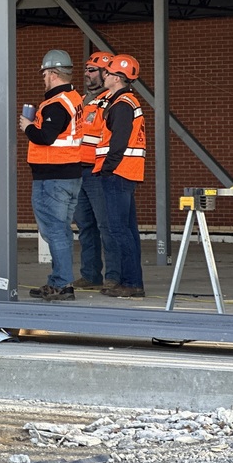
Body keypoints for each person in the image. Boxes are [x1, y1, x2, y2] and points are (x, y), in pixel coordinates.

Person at [19, 49, 84, 302]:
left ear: (54, 73)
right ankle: (59, 280)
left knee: (54, 231)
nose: (43, 77)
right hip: (69, 175)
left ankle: (62, 284)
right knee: (62, 231)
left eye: (45, 73)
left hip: (52, 178)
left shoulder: (56, 104)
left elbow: (45, 137)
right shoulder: (74, 98)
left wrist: (28, 127)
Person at [95, 54, 147, 299]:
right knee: (127, 230)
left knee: (119, 230)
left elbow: (118, 143)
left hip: (117, 174)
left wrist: (107, 169)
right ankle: (133, 281)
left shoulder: (122, 104)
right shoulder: (125, 102)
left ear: (116, 77)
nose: (103, 76)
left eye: (106, 72)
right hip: (125, 173)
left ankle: (132, 282)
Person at [71, 51, 119, 291]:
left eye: (92, 70)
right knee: (85, 227)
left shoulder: (112, 100)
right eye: (86, 70)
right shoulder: (81, 101)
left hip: (99, 172)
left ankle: (113, 276)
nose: (86, 74)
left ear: (105, 73)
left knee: (106, 226)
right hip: (79, 171)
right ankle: (90, 275)